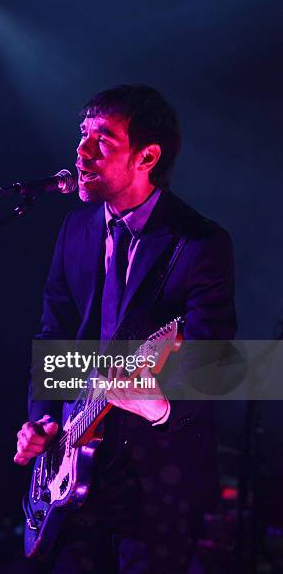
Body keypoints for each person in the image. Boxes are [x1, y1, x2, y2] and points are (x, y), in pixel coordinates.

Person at [14, 84, 237, 573]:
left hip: (156, 486)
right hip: (73, 476)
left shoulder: (199, 243)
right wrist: (45, 419)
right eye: (81, 135)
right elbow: (53, 333)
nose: (81, 152)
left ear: (147, 156)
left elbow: (215, 362)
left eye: (103, 140)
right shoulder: (76, 228)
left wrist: (158, 406)